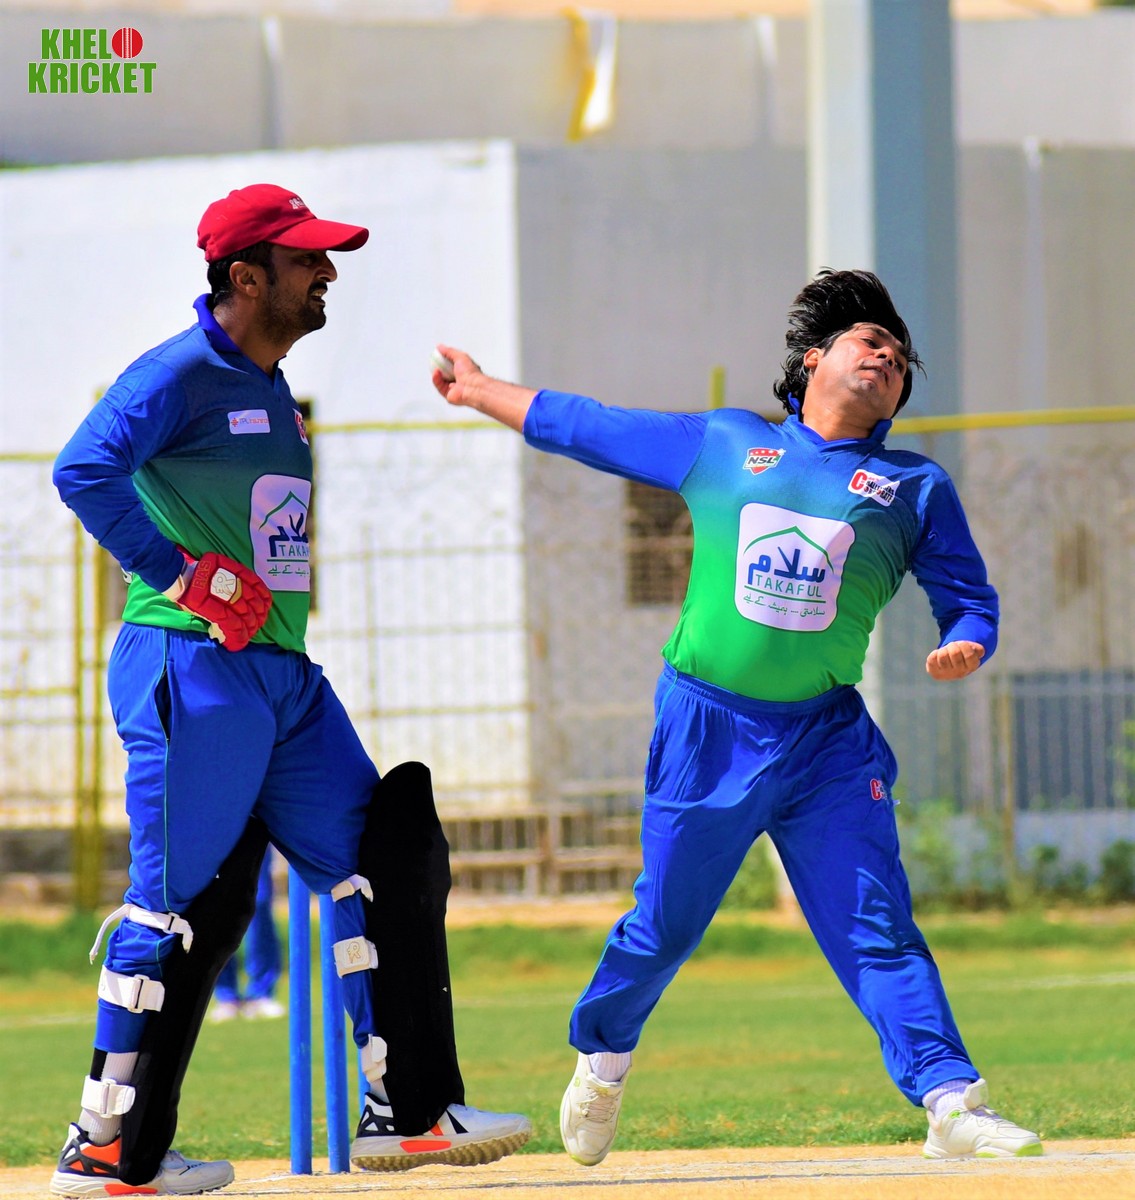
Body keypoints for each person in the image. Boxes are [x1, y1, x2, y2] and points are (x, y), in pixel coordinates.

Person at [431, 269, 1042, 1166]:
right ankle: (603, 1058)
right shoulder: (728, 443)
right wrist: (481, 389)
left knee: (875, 926)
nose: (887, 357)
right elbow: (591, 426)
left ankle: (949, 1100)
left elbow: (969, 599)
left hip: (828, 744)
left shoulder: (912, 486)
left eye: (900, 358)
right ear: (812, 359)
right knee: (664, 926)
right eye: (869, 340)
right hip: (705, 729)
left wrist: (966, 642)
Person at [50, 183, 531, 1197]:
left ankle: (404, 1112)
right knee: (170, 908)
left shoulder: (272, 389)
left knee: (383, 860)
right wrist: (181, 574)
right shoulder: (176, 373)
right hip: (192, 664)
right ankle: (104, 1146)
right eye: (306, 258)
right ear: (244, 276)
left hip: (282, 676)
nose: (327, 273)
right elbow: (83, 470)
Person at [209, 852, 284, 1022]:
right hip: (215, 837)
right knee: (220, 907)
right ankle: (226, 996)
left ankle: (261, 993)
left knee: (260, 903)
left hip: (257, 836)